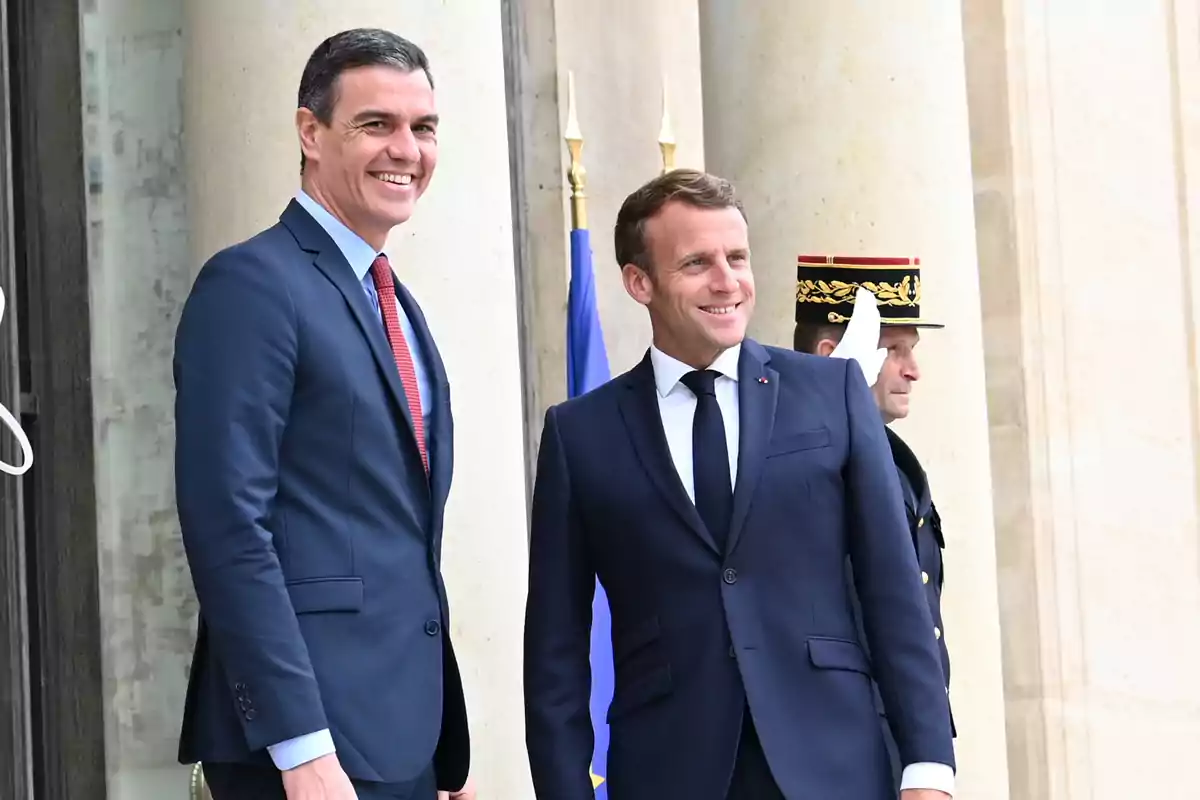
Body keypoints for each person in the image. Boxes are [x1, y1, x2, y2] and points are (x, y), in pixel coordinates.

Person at [523, 169, 956, 800]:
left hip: (835, 767)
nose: (726, 281)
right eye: (697, 262)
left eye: (737, 258)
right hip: (667, 771)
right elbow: (556, 652)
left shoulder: (830, 394)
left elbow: (894, 594)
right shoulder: (579, 435)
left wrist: (928, 768)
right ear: (639, 282)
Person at [173, 28, 473, 800]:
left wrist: (433, 752)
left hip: (397, 743)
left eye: (423, 127)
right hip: (309, 751)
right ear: (310, 132)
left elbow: (392, 535)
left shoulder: (398, 306)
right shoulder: (252, 285)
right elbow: (229, 526)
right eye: (376, 124)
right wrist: (300, 746)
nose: (405, 149)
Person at [792, 254, 955, 790]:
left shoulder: (898, 465)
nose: (913, 370)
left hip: (899, 745)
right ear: (832, 355)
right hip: (834, 746)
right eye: (894, 350)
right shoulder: (797, 462)